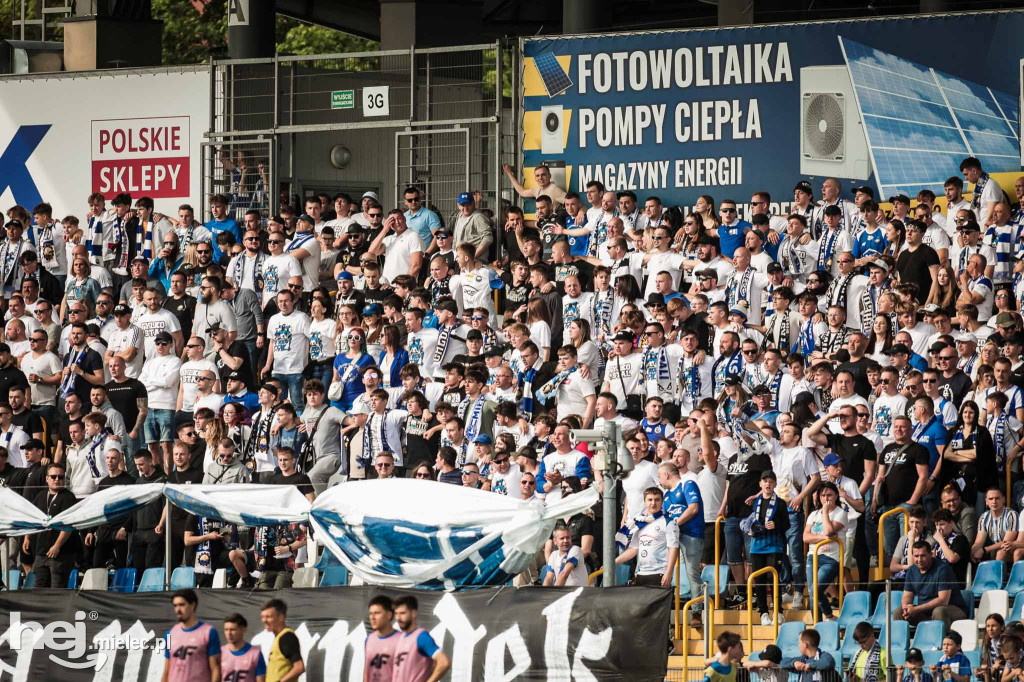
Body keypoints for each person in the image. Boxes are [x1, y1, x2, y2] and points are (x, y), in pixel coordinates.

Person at [25, 462, 78, 587]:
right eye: (54, 477)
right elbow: (32, 516)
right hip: (41, 552)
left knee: (57, 591)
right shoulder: (41, 495)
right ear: (47, 479)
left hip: (61, 554)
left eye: (61, 477)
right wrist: (27, 537)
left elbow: (68, 525)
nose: (57, 480)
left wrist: (57, 546)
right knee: (39, 591)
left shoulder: (68, 497)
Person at [615, 486, 679, 587]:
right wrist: (613, 563)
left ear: (662, 502)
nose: (653, 503)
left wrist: (668, 572)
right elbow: (633, 549)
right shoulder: (640, 523)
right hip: (641, 573)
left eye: (657, 500)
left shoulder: (669, 522)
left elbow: (673, 548)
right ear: (644, 502)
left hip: (660, 573)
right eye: (650, 500)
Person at [896, 540, 969, 628]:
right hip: (925, 612)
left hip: (953, 609)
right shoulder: (912, 570)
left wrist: (916, 609)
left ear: (931, 554)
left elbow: (943, 600)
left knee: (938, 611)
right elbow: (907, 596)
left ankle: (944, 640)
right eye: (916, 556)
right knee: (899, 612)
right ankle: (900, 641)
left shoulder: (943, 569)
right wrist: (905, 607)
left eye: (923, 556)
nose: (919, 560)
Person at [804, 482, 846, 622]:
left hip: (831, 558)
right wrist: (824, 538)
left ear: (836, 496)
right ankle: (819, 623)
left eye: (829, 495)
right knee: (812, 592)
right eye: (822, 495)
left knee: (816, 589)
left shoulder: (840, 513)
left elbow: (829, 530)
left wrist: (826, 513)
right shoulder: (813, 514)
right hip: (813, 557)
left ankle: (827, 616)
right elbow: (805, 537)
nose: (825, 498)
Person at [161, 589, 221, 682]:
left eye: (182, 605)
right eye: (175, 606)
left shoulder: (209, 632)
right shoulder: (169, 634)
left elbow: (216, 669)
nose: (178, 609)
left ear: (193, 605)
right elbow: (166, 671)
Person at [391, 595, 450, 682]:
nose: (398, 618)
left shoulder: (421, 636)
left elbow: (444, 662)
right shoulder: (400, 638)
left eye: (402, 613)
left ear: (413, 613)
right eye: (396, 614)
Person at [260, 599, 304, 682]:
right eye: (262, 617)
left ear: (281, 617)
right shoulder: (280, 637)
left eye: (268, 617)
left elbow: (299, 667)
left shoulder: (287, 637)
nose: (264, 620)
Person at [220, 613, 266, 682]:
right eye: (226, 630)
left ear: (243, 630)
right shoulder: (220, 652)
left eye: (233, 629)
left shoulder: (256, 654)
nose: (229, 633)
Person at [364, 595, 399, 682]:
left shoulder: (402, 640)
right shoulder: (369, 639)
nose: (372, 617)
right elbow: (367, 669)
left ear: (389, 615)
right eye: (370, 613)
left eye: (377, 613)